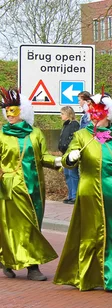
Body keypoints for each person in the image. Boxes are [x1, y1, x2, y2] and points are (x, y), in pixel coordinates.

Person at [53, 92, 112, 292]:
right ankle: (87, 276)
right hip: (89, 192)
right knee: (89, 234)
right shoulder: (82, 136)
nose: (96, 117)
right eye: (93, 113)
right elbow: (66, 161)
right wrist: (69, 159)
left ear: (109, 115)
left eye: (100, 113)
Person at [0, 88, 61, 281]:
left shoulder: (35, 134)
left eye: (14, 111)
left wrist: (60, 162)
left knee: (33, 225)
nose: (10, 115)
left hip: (34, 188)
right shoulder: (1, 135)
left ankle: (19, 262)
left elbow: (42, 157)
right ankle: (28, 266)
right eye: (7, 111)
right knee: (13, 226)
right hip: (9, 188)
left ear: (23, 112)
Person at [58, 106, 80, 204]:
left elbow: (73, 138)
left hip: (71, 152)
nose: (61, 116)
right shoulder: (66, 125)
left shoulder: (74, 124)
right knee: (67, 174)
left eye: (62, 114)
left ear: (68, 114)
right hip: (65, 153)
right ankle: (71, 195)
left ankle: (75, 196)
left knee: (72, 174)